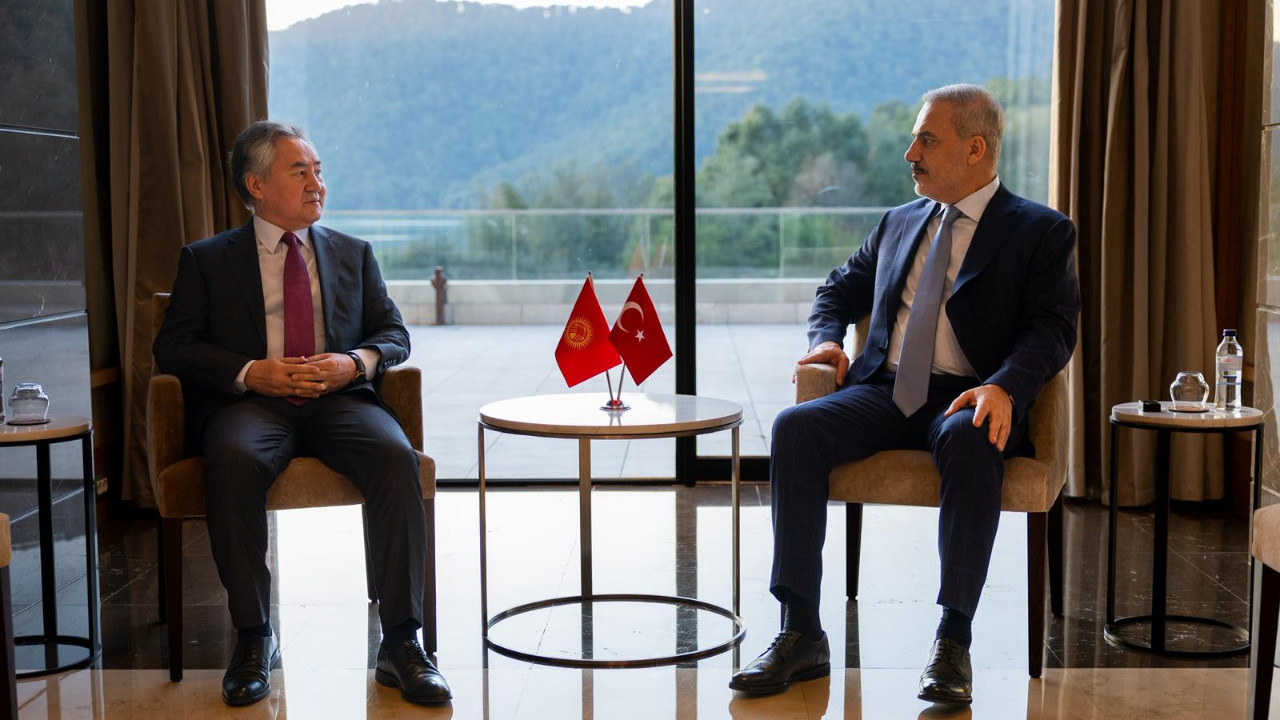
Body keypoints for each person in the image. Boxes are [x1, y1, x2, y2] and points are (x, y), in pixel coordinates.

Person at [728, 85, 1079, 705]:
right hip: (886, 391)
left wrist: (1004, 387)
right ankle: (800, 631)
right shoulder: (899, 222)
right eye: (915, 139)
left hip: (971, 395)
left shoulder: (1040, 231)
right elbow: (837, 289)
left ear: (975, 149)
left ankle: (953, 641)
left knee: (972, 437)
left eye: (927, 140)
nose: (911, 153)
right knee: (794, 428)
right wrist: (826, 340)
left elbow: (1052, 329)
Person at [153, 121, 450, 707]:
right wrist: (250, 371)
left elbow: (394, 335)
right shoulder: (207, 260)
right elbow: (174, 347)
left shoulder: (353, 253)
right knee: (233, 460)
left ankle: (401, 643)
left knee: (396, 458)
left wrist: (353, 363)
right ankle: (253, 637)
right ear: (257, 184)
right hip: (251, 404)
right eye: (301, 172)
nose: (317, 184)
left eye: (319, 171)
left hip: (339, 401)